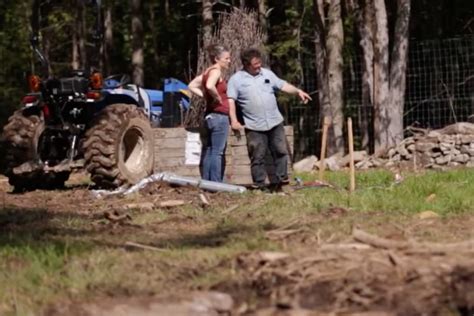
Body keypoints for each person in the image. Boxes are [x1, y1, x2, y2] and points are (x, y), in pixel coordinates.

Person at [227, 47, 312, 190]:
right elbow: (230, 101)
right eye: (255, 64)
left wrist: (297, 91)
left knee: (280, 151)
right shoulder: (236, 80)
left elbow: (283, 85)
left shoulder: (267, 74)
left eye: (259, 63)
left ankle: (282, 182)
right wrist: (234, 121)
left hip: (274, 122)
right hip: (254, 125)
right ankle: (260, 185)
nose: (259, 66)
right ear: (247, 65)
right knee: (257, 156)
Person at [188, 45, 231, 182]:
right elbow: (209, 86)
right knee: (217, 152)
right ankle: (216, 183)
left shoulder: (207, 72)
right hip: (219, 116)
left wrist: (205, 96)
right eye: (226, 58)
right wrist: (217, 96)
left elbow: (191, 85)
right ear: (217, 59)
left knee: (210, 149)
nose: (229, 61)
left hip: (210, 116)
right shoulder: (216, 71)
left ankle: (207, 181)